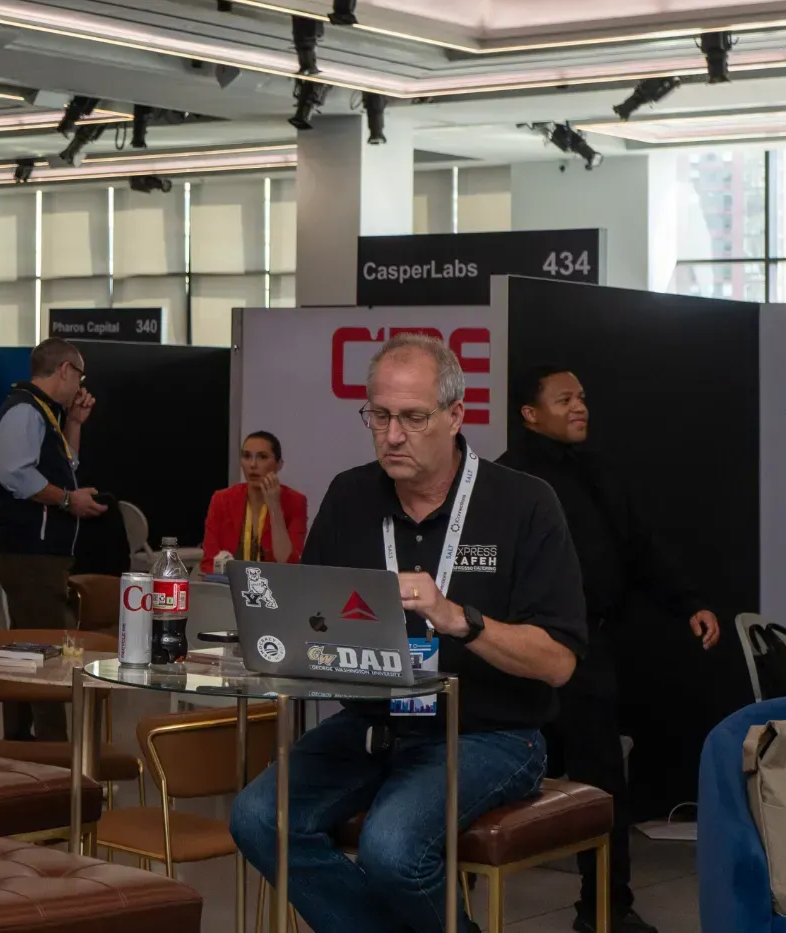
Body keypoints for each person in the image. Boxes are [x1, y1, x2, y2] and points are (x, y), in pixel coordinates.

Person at [228, 335, 588, 933]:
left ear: (455, 416)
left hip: (490, 732)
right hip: (375, 724)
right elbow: (310, 625)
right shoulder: (350, 495)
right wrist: (274, 638)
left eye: (413, 418)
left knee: (391, 849)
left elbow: (558, 665)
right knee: (257, 817)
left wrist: (459, 619)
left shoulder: (523, 504)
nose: (392, 435)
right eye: (379, 416)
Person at [497, 364, 720, 933]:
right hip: (516, 654)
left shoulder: (599, 472)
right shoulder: (505, 481)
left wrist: (687, 601)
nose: (580, 407)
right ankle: (451, 905)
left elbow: (640, 549)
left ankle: (605, 909)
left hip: (586, 648)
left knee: (602, 785)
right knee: (492, 774)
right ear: (530, 412)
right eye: (564, 398)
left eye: (583, 397)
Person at [0, 337, 103, 742]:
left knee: (26, 646)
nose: (80, 384)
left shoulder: (45, 412)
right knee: (49, 649)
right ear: (66, 370)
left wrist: (74, 424)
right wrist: (70, 500)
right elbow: (16, 476)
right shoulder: (24, 411)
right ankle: (56, 753)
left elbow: (65, 466)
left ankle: (18, 742)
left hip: (39, 552)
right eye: (80, 374)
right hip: (28, 551)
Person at [200, 430, 308, 574]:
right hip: (227, 587)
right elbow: (209, 560)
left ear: (278, 464)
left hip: (273, 589)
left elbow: (288, 564)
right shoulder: (222, 499)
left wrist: (275, 507)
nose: (252, 464)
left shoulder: (295, 501)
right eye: (246, 456)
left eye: (262, 457)